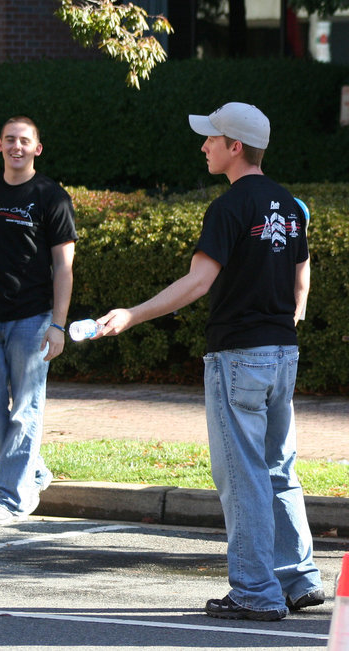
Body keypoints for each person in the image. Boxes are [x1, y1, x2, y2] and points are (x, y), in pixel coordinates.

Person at [91, 102, 323, 622]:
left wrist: (132, 313)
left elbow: (198, 283)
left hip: (238, 357)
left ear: (235, 147)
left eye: (211, 139)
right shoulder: (289, 206)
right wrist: (290, 320)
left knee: (242, 476)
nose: (203, 146)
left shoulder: (228, 208)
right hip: (282, 352)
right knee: (278, 469)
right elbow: (301, 271)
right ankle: (299, 579)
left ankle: (255, 593)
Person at [0, 116, 77, 526]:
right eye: (10, 140)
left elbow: (63, 266)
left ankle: (13, 497)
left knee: (26, 409)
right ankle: (32, 470)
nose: (17, 146)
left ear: (38, 148)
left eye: (25, 141)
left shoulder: (51, 196)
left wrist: (59, 324)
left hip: (32, 319)